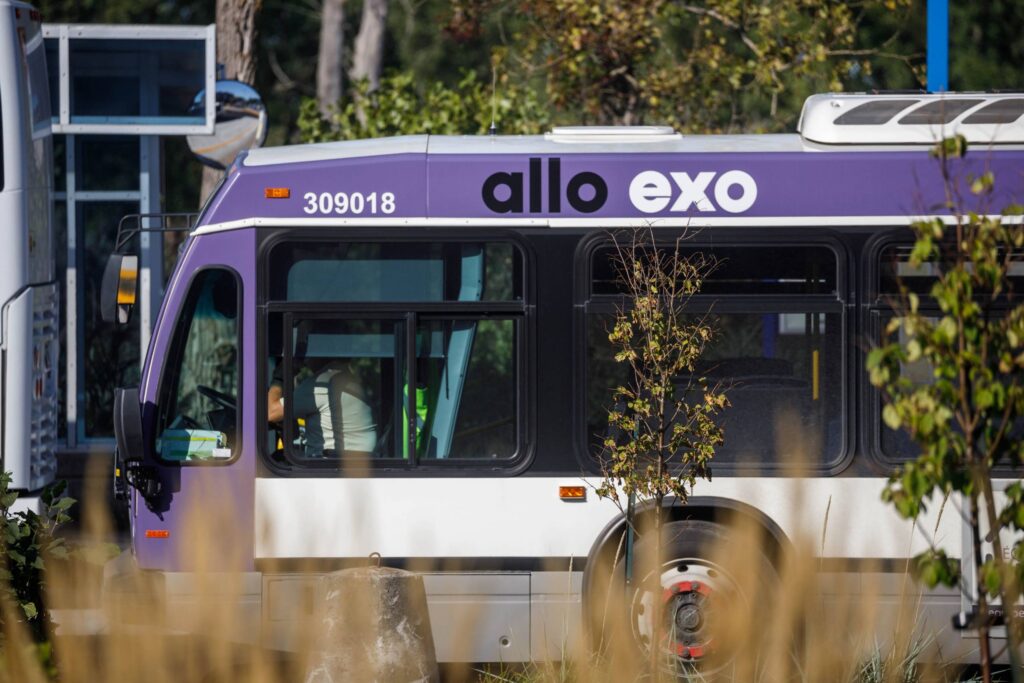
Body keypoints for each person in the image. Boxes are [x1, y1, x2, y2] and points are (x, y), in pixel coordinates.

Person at [268, 359, 377, 457]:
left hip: (327, 464)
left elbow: (271, 413)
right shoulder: (353, 383)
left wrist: (279, 377)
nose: (306, 360)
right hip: (359, 462)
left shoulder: (321, 383)